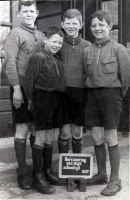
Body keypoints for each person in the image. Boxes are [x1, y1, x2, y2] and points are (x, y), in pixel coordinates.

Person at [83, 10, 130, 196]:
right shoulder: (88, 50)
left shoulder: (119, 49)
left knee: (110, 137)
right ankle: (101, 174)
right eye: (94, 25)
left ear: (109, 27)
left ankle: (115, 179)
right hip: (92, 96)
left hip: (111, 96)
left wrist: (117, 94)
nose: (97, 28)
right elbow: (86, 75)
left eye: (101, 25)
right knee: (96, 136)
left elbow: (126, 78)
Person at [4, 1, 46, 190]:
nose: (29, 14)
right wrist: (17, 88)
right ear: (19, 14)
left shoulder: (41, 35)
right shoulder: (15, 34)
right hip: (20, 89)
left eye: (31, 11)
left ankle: (38, 173)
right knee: (22, 128)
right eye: (25, 11)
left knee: (37, 130)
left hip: (39, 91)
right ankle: (22, 173)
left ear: (36, 13)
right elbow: (9, 63)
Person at [23, 27, 65, 194]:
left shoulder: (56, 59)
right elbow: (28, 83)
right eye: (54, 41)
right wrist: (33, 102)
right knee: (40, 138)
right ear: (46, 40)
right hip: (42, 100)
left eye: (60, 43)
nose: (57, 45)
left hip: (56, 101)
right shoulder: (38, 58)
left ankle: (47, 172)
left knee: (49, 138)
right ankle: (38, 176)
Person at [58, 9, 91, 154]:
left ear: (81, 25)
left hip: (80, 93)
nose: (71, 26)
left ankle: (76, 169)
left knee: (77, 131)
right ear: (62, 25)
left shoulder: (88, 46)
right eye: (68, 23)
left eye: (74, 23)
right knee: (64, 132)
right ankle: (63, 172)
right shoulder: (57, 44)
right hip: (62, 93)